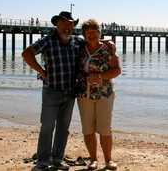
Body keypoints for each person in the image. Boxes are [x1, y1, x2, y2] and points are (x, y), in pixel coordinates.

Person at [22, 11, 83, 171]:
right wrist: (42, 72)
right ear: (57, 24)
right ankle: (42, 161)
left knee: (64, 128)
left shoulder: (77, 42)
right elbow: (27, 54)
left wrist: (107, 43)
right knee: (47, 126)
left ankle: (57, 159)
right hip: (51, 91)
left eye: (70, 24)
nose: (67, 27)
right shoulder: (48, 41)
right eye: (63, 23)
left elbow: (93, 44)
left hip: (70, 93)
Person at [76, 19, 121, 170]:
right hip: (84, 94)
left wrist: (101, 77)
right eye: (87, 33)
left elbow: (117, 70)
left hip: (104, 94)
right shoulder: (80, 48)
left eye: (94, 32)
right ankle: (93, 160)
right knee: (87, 128)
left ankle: (108, 160)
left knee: (105, 128)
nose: (91, 35)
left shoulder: (109, 49)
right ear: (84, 35)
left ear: (99, 33)